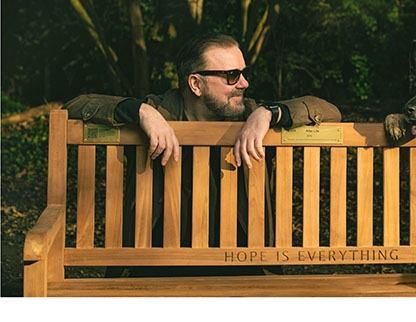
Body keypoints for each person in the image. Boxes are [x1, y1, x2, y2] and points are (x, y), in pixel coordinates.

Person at [63, 33, 341, 276]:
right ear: (195, 84)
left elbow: (329, 110)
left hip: (242, 266)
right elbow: (75, 105)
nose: (244, 83)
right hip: (154, 265)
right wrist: (141, 112)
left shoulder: (253, 115)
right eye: (232, 75)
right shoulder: (158, 112)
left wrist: (270, 112)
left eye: (243, 73)